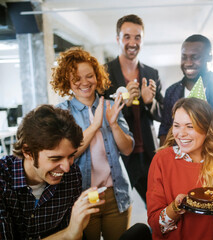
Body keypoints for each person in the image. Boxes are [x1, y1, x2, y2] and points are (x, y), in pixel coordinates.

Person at [51, 47, 134, 240]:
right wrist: (96, 125)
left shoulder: (111, 105)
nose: (84, 83)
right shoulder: (61, 113)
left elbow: (128, 149)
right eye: (76, 79)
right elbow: (64, 155)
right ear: (67, 81)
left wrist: (113, 124)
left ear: (97, 76)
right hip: (81, 198)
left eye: (89, 76)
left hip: (116, 195)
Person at [0, 104, 105, 239]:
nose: (66, 167)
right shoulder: (3, 181)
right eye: (56, 158)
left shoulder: (72, 175)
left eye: (71, 156)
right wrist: (69, 233)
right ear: (28, 152)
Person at [147, 97, 213, 240]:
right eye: (177, 125)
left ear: (207, 128)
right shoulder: (161, 160)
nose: (181, 133)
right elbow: (156, 225)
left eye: (190, 126)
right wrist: (175, 208)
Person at [103, 14, 164, 204]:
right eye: (127, 36)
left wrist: (149, 102)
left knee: (156, 203)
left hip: (147, 152)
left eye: (137, 37)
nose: (132, 42)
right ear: (118, 39)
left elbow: (162, 113)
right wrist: (124, 105)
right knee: (120, 207)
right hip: (118, 154)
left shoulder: (151, 73)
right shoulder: (104, 73)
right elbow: (101, 115)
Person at [158, 34, 213, 153]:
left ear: (209, 57)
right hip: (180, 165)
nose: (188, 63)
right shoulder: (172, 92)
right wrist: (166, 161)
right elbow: (165, 130)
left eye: (195, 57)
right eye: (184, 57)